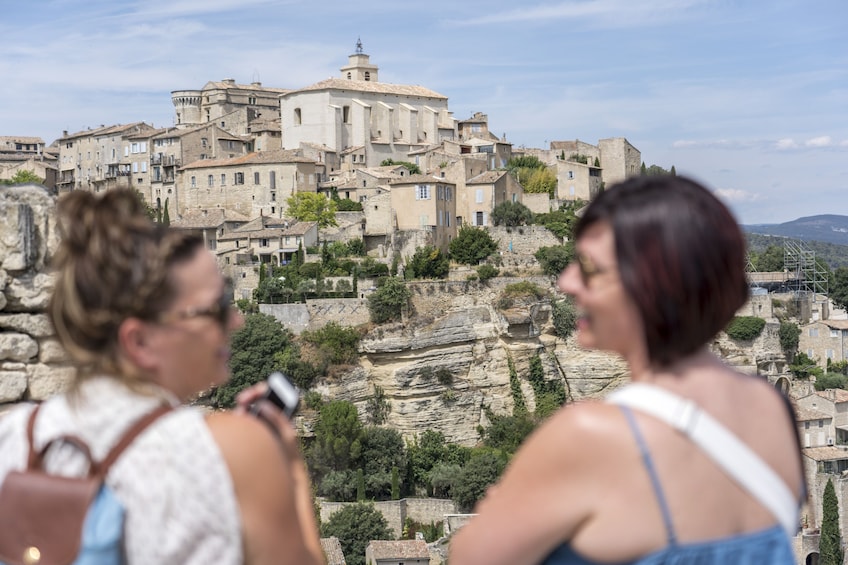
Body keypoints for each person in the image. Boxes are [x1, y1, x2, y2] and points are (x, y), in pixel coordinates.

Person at [449, 175, 805, 564]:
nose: (567, 282)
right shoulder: (773, 409)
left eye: (589, 268)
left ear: (652, 285)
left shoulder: (591, 434)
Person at [0, 188, 323, 565]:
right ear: (139, 340)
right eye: (216, 308)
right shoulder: (237, 450)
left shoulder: (15, 437)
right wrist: (291, 471)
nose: (236, 320)